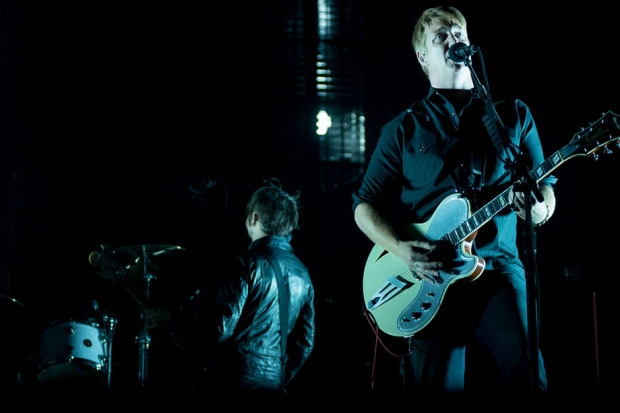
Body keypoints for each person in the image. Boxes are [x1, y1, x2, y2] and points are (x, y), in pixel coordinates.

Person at [352, 6, 556, 398]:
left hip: (497, 270)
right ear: (422, 57)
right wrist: (400, 248)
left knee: (528, 375)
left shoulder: (512, 115)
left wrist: (540, 209)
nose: (453, 38)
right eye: (440, 36)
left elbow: (546, 191)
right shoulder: (402, 128)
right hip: (430, 277)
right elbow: (364, 205)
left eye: (458, 31)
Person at [146, 179, 315, 397]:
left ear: (254, 218)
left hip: (234, 379)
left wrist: (171, 322)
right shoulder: (303, 273)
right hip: (274, 382)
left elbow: (220, 328)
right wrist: (280, 378)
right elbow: (306, 344)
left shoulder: (246, 263)